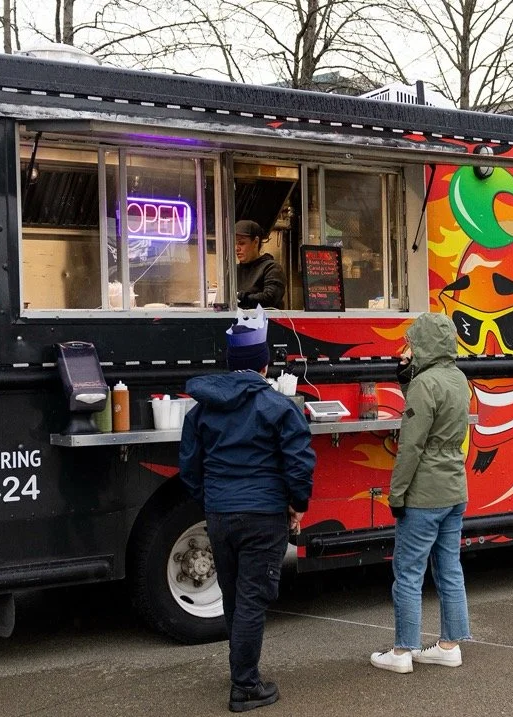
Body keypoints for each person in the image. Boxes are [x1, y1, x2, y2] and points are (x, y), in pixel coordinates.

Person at [180, 308, 315, 712]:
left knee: (234, 598)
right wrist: (298, 504)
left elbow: (189, 467)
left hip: (220, 515)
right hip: (263, 515)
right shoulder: (279, 406)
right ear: (264, 365)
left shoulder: (202, 410)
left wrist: (211, 500)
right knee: (252, 601)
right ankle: (245, 686)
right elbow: (299, 462)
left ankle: (241, 671)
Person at [370, 311, 472, 674]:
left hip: (424, 493)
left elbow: (411, 446)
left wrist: (396, 495)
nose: (408, 348)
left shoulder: (425, 384)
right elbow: (435, 411)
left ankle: (402, 651)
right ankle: (450, 646)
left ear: (425, 343)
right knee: (450, 569)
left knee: (409, 572)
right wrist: (408, 378)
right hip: (454, 488)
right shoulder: (458, 379)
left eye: (413, 342)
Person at [234, 220, 286, 310]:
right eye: (234, 243)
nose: (236, 248)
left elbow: (270, 298)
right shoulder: (233, 271)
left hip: (264, 319)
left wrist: (238, 297)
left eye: (241, 243)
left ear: (256, 242)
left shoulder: (271, 268)